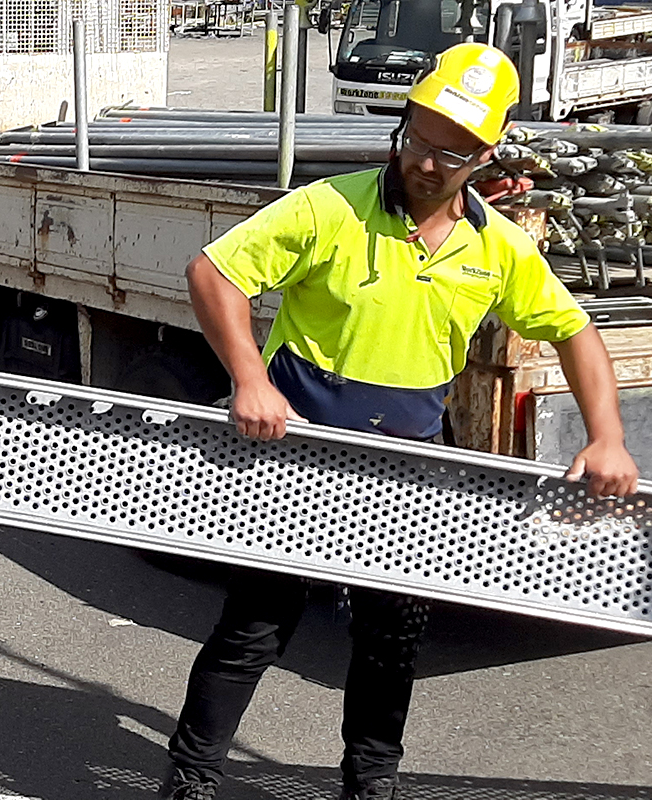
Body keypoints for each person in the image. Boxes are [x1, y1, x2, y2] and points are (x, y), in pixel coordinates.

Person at [160, 43, 640, 800]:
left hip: (408, 468)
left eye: (449, 151)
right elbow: (213, 272)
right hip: (295, 453)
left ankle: (371, 781)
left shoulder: (497, 246)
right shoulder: (331, 207)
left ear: (484, 154)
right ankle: (192, 774)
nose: (424, 161)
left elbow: (574, 331)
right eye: (416, 138)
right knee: (256, 629)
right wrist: (249, 379)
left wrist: (606, 435)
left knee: (390, 640)